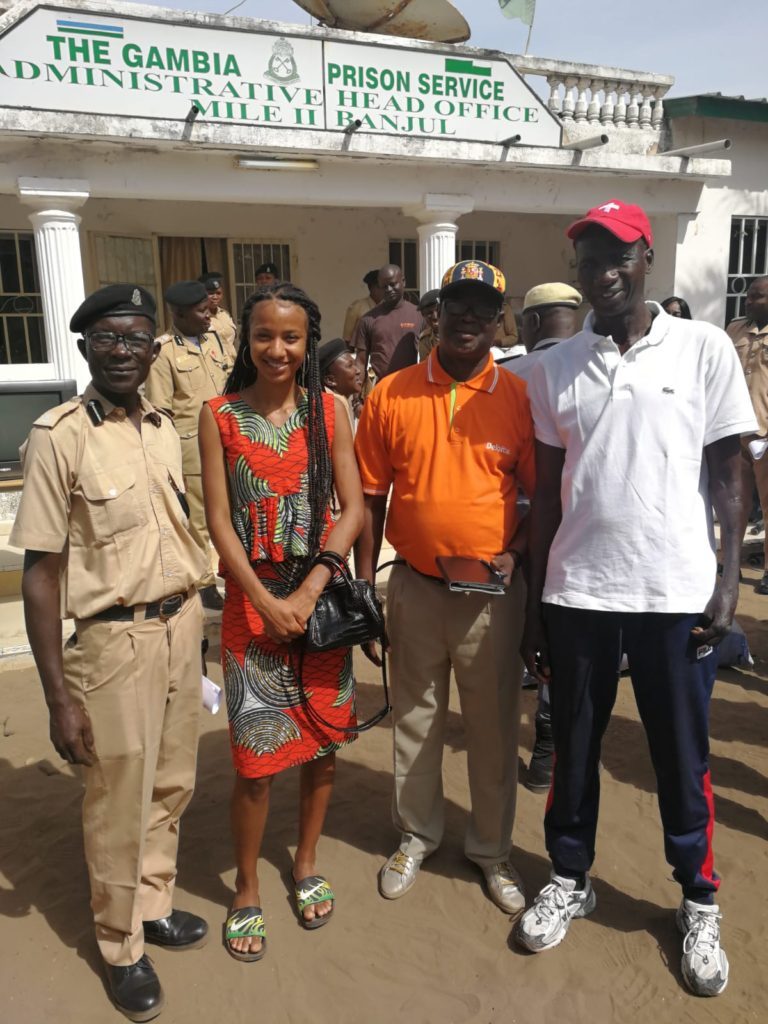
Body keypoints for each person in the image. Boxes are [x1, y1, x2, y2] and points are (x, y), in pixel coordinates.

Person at [516, 199, 756, 999]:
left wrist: (727, 582)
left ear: (646, 256)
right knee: (573, 750)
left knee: (682, 758)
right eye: (589, 260)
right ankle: (570, 876)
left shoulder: (702, 347)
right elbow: (547, 495)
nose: (604, 272)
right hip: (579, 593)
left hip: (675, 593)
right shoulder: (554, 366)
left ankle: (697, 898)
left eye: (618, 255)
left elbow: (730, 476)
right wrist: (536, 606)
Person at [10, 285, 208, 1022]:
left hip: (180, 626)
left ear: (154, 349)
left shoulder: (160, 428)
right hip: (113, 643)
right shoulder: (59, 435)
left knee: (171, 784)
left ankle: (152, 903)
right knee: (119, 799)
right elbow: (41, 572)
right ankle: (121, 945)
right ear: (85, 347)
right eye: (107, 338)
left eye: (135, 339)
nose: (122, 351)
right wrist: (58, 697)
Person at [355, 260, 535, 915]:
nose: (467, 318)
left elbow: (539, 498)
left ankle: (492, 850)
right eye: (456, 305)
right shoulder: (392, 394)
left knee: (492, 729)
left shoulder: (519, 398)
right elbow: (370, 498)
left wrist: (516, 554)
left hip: (492, 597)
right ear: (436, 315)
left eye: (483, 308)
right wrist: (363, 587)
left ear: (498, 321)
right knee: (416, 720)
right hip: (416, 587)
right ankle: (417, 835)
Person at [198, 282, 364, 962]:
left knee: (322, 748)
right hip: (251, 609)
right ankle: (245, 886)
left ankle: (305, 861)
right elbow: (218, 520)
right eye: (264, 335)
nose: (277, 348)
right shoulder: (219, 416)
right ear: (247, 340)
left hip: (321, 606)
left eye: (290, 337)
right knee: (255, 763)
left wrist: (312, 587)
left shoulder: (331, 410)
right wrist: (266, 603)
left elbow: (353, 509)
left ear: (307, 342)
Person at [501, 282, 582, 793]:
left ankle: (500, 729)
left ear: (531, 323)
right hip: (579, 529)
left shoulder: (512, 373)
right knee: (564, 634)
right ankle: (549, 748)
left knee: (515, 628)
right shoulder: (595, 367)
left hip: (518, 528)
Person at [144, 280, 232, 611]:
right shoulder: (164, 352)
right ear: (179, 314)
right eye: (201, 311)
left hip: (230, 439)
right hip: (193, 448)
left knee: (233, 510)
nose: (209, 315)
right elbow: (161, 411)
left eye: (209, 309)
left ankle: (233, 571)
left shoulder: (216, 340)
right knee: (201, 517)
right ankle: (205, 581)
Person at [727, 275, 768, 594]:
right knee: (733, 503)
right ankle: (730, 564)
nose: (748, 300)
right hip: (733, 434)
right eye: (749, 295)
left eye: (756, 296)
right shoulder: (734, 330)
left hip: (766, 435)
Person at [352, 264, 421, 386]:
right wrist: (356, 394)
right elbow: (361, 362)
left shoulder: (419, 315)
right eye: (384, 286)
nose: (389, 289)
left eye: (393, 284)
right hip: (381, 389)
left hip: (412, 388)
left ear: (403, 282)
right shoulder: (368, 320)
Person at [319, 336, 363, 431]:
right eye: (350, 366)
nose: (358, 371)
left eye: (355, 364)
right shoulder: (335, 406)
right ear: (330, 380)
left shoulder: (341, 401)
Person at [199, 270, 238, 360]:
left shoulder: (225, 314)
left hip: (232, 363)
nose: (215, 297)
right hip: (213, 365)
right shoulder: (200, 317)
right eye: (211, 293)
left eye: (218, 293)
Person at [342, 269, 384, 343]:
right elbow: (347, 339)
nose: (383, 290)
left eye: (385, 287)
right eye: (379, 287)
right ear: (370, 287)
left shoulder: (389, 307)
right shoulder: (357, 307)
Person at [416, 288, 440, 361]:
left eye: (438, 310)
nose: (435, 316)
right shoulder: (425, 339)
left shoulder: (459, 333)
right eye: (429, 313)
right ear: (423, 316)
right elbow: (426, 365)